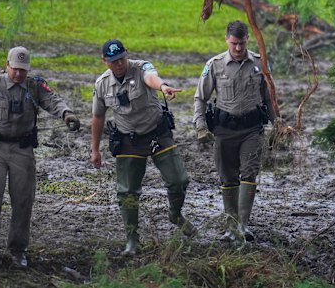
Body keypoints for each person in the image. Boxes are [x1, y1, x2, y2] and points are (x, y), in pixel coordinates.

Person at [0, 46, 80, 267]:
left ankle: (18, 250)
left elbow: (52, 100)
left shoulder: (34, 86)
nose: (18, 74)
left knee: (23, 200)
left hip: (22, 150)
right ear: (7, 65)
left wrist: (66, 114)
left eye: (23, 70)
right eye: (15, 69)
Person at [90, 39, 196, 256]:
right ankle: (132, 239)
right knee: (127, 192)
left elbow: (151, 78)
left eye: (121, 59)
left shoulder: (141, 68)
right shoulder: (102, 84)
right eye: (113, 61)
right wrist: (95, 150)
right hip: (129, 139)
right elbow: (98, 116)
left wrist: (163, 86)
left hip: (157, 133)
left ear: (126, 55)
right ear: (105, 62)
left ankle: (175, 214)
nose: (119, 64)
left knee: (179, 180)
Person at [193, 21, 275, 243]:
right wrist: (200, 126)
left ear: (248, 38)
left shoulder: (260, 63)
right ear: (227, 40)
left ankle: (243, 226)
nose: (238, 48)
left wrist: (278, 125)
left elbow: (269, 98)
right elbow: (201, 97)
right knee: (228, 177)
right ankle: (231, 227)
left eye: (242, 43)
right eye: (234, 43)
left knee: (249, 173)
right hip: (224, 130)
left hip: (252, 129)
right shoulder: (215, 65)